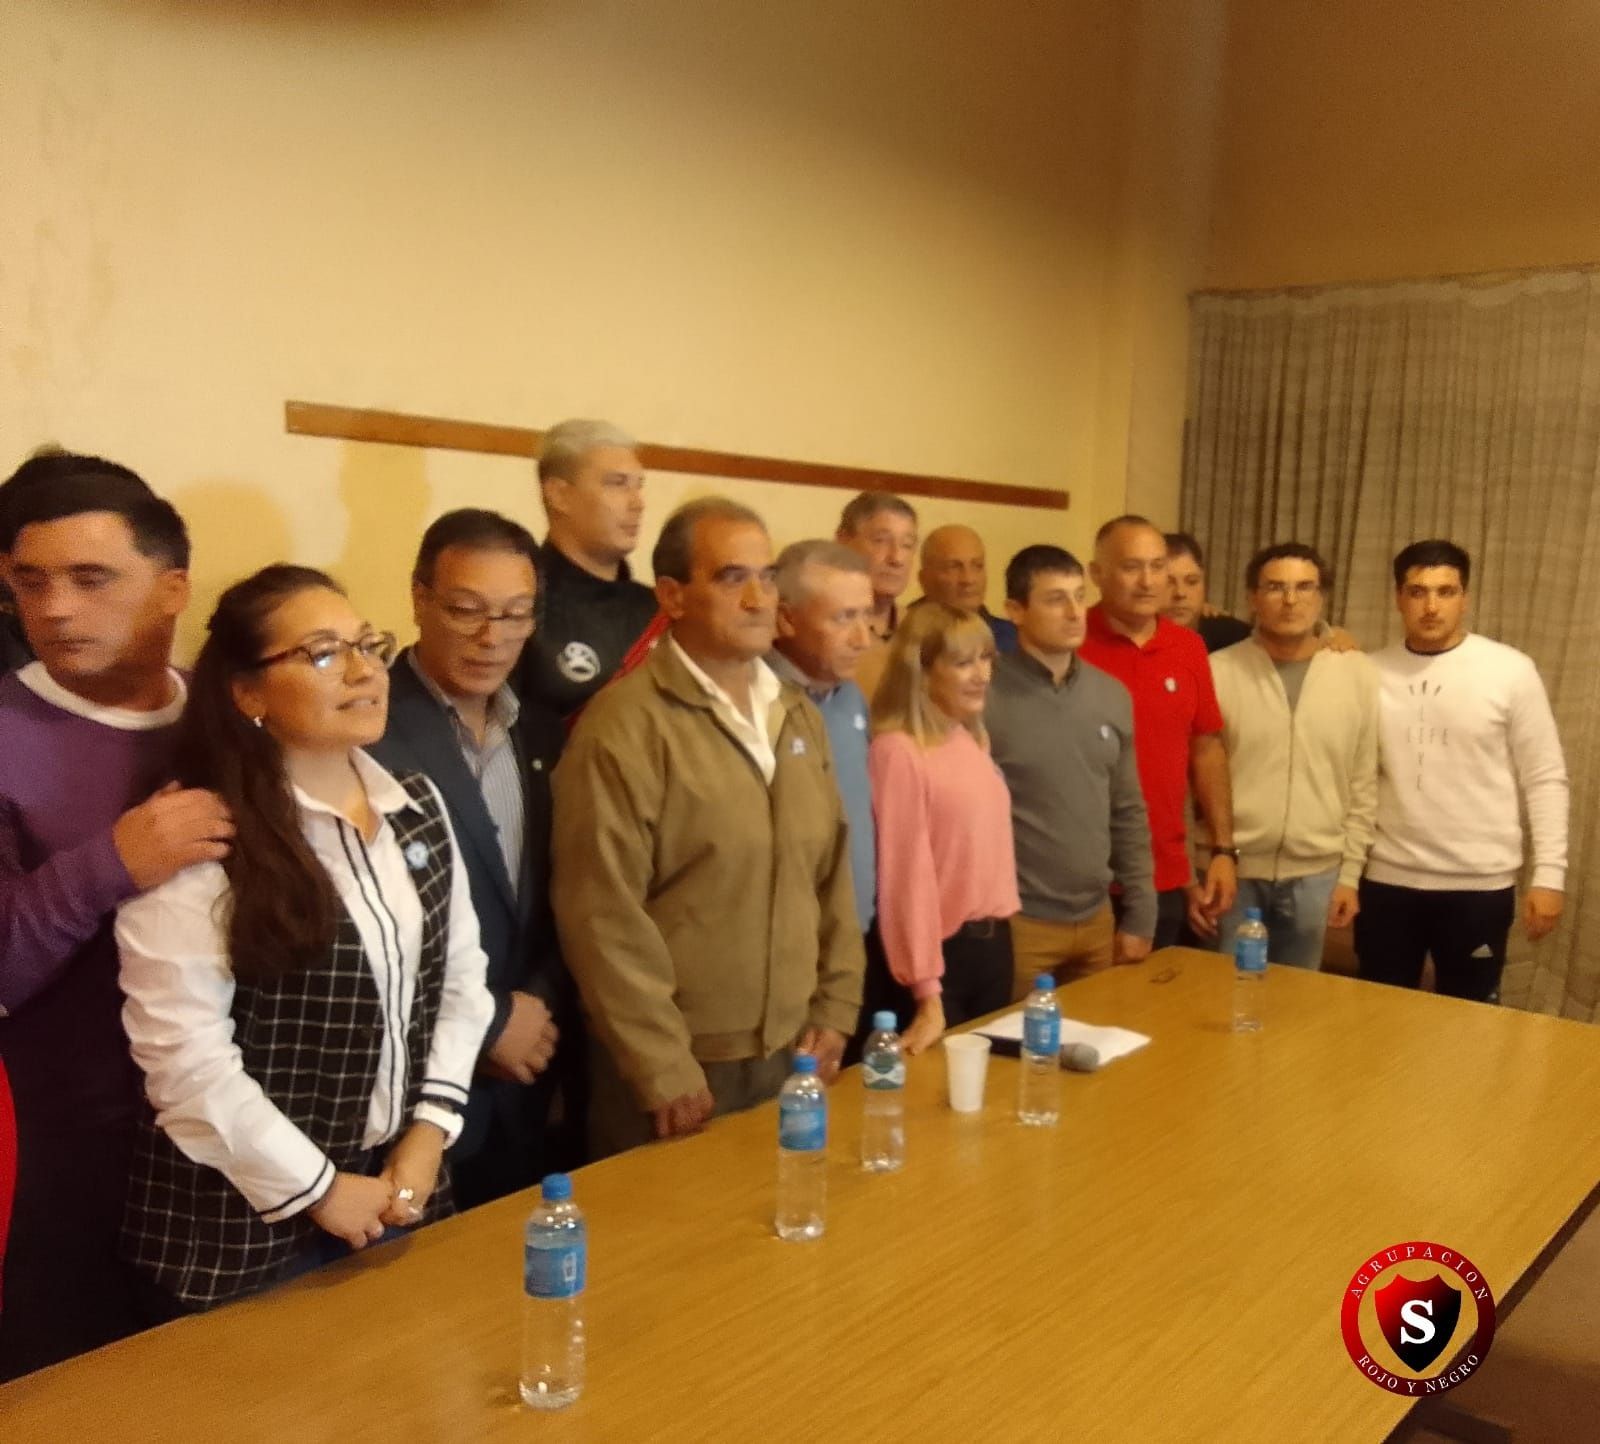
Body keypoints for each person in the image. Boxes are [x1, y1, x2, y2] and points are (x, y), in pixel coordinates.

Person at [115, 566, 494, 1313]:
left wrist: (429, 1132)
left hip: (398, 1186)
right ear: (247, 693)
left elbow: (459, 980)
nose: (363, 671)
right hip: (240, 1224)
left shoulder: (415, 803)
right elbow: (185, 1062)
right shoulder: (202, 835)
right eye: (322, 653)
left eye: (368, 646)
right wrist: (320, 1189)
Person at [0, 466, 229, 1378]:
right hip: (60, 1157)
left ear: (173, 587)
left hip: (233, 1139)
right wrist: (113, 864)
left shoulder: (230, 715)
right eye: (30, 582)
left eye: (90, 578)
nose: (54, 608)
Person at [552, 498, 864, 1158]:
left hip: (794, 1051)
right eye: (731, 577)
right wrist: (661, 1065)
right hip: (680, 1068)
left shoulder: (796, 714)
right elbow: (601, 914)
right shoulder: (625, 726)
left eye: (768, 576)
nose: (758, 598)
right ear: (672, 595)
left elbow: (832, 872)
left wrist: (837, 1007)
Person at [368, 510, 571, 1203]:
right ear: (419, 598)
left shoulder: (540, 729)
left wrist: (537, 1003)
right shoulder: (368, 728)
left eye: (516, 615)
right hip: (411, 1091)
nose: (493, 638)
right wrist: (486, 1022)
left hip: (531, 1069)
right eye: (466, 610)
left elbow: (561, 893)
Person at [1356, 540, 1568, 1002]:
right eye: (1418, 592)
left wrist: (1549, 876)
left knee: (1470, 1020)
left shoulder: (1510, 671)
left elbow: (1545, 776)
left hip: (1479, 885)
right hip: (1388, 881)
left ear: (1465, 597)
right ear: (1398, 597)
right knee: (1376, 1014)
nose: (1431, 606)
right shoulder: (1368, 672)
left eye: (1446, 592)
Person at [987, 545, 1155, 996]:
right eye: (1055, 599)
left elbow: (1127, 809)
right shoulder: (984, 696)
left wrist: (1141, 911)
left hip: (1097, 918)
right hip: (1020, 924)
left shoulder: (1110, 695)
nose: (1074, 612)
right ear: (1015, 611)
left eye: (1080, 596)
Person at [1209, 544, 1377, 968]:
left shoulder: (1357, 673)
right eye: (1275, 587)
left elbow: (1363, 781)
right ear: (1253, 597)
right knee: (1224, 994)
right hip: (1234, 873)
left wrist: (1350, 875)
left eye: (1304, 587)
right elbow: (1199, 777)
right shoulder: (1218, 671)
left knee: (1299, 1001)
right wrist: (1211, 858)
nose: (1290, 600)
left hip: (1317, 876)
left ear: (1321, 597)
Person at [1078, 515, 1237, 948]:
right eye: (1131, 567)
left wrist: (1223, 850)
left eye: (1157, 566)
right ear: (1097, 573)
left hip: (1164, 875)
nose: (1148, 581)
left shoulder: (1188, 647)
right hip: (1081, 877)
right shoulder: (1070, 643)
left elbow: (1206, 749)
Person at [869, 603, 1019, 1054]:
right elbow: (905, 877)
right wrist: (926, 990)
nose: (981, 675)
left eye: (985, 659)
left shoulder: (969, 738)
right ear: (922, 671)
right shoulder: (897, 751)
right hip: (938, 962)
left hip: (993, 946)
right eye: (962, 662)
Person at [515, 418, 663, 718]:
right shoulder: (519, 607)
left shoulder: (660, 609)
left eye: (638, 486)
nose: (638, 503)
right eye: (617, 484)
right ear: (559, 495)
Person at [769, 540, 876, 939]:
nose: (863, 639)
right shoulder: (754, 701)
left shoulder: (851, 696)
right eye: (844, 618)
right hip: (788, 941)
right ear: (787, 618)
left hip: (856, 932)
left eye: (866, 615)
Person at [837, 490, 918, 701]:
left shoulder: (921, 628)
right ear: (843, 541)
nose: (896, 558)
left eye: (907, 545)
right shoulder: (823, 628)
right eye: (881, 541)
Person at [912, 524, 1019, 652]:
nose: (968, 579)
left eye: (977, 566)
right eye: (953, 567)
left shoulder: (1013, 639)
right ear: (924, 579)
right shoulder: (902, 635)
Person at [1164, 533, 1251, 653]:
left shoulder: (1237, 638)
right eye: (1168, 583)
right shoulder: (1138, 641)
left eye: (1192, 581)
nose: (1180, 593)